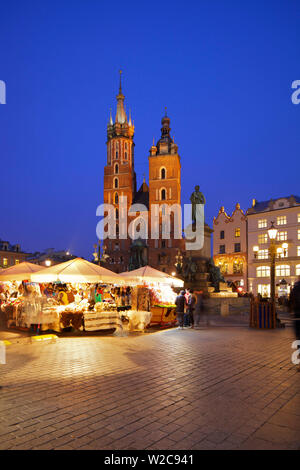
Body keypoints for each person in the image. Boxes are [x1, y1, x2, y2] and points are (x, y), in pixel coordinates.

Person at [289, 276, 300, 371]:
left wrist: (290, 311)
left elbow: (290, 301)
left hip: (297, 316)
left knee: (299, 340)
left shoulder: (295, 288)